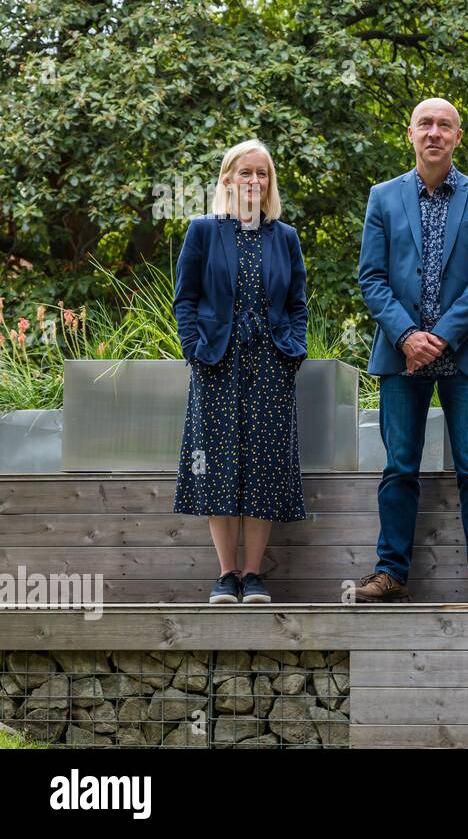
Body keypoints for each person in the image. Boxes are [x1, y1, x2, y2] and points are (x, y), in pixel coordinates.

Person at [354, 98, 468, 603]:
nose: (434, 133)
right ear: (410, 133)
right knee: (399, 465)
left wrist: (439, 336)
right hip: (401, 354)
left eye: (445, 125)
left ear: (458, 137)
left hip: (462, 353)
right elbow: (372, 278)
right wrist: (406, 336)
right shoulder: (382, 197)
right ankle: (390, 571)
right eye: (425, 124)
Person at [173, 139, 308, 605]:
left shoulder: (284, 237)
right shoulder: (204, 231)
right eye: (245, 173)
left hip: (271, 364)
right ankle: (226, 574)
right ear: (228, 178)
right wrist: (194, 349)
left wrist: (294, 350)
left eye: (262, 174)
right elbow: (185, 298)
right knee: (217, 465)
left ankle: (253, 576)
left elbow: (297, 304)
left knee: (264, 467)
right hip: (217, 363)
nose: (254, 181)